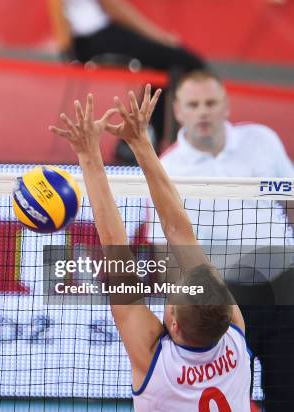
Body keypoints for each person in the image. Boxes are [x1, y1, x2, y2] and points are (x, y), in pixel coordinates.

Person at [49, 84, 251, 410]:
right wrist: (128, 147)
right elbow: (171, 236)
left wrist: (117, 147)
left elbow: (150, 241)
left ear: (173, 323)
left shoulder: (164, 360)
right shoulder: (234, 341)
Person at [147, 70, 294, 411]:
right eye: (193, 104)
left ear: (226, 105)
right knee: (228, 394)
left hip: (284, 288)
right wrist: (182, 312)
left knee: (288, 394)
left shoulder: (262, 139)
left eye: (211, 102)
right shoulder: (168, 168)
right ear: (178, 110)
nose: (203, 111)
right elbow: (167, 251)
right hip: (225, 302)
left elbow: (291, 202)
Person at [47, 0, 206, 162]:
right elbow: (115, 8)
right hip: (97, 37)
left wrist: (65, 45)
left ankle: (139, 139)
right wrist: (158, 37)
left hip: (86, 41)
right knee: (186, 61)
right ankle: (153, 140)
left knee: (168, 63)